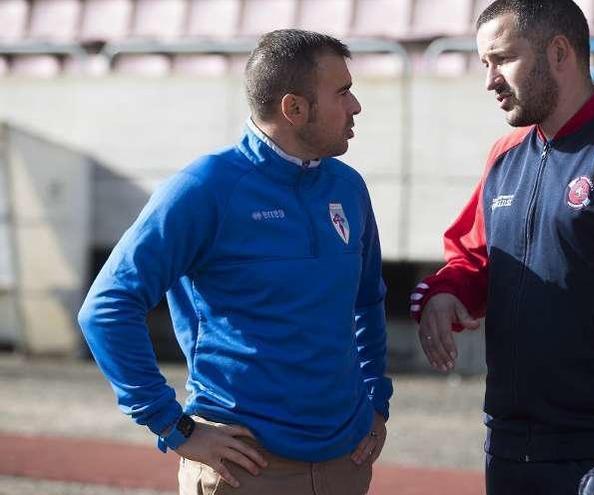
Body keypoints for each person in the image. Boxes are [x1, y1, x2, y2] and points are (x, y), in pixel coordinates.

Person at [409, 1, 594, 494]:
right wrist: (447, 293)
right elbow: (477, 258)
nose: (489, 80)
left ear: (558, 52)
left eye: (502, 59)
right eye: (484, 63)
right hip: (507, 446)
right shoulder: (504, 155)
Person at [78, 29, 391, 495]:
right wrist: (173, 426)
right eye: (342, 93)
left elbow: (367, 301)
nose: (356, 107)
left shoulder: (348, 187)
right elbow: (106, 308)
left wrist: (376, 402)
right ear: (294, 108)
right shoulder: (205, 188)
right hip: (242, 469)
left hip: (344, 463)